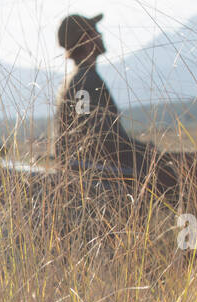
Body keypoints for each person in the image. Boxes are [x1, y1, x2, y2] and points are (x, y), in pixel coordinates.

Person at [54, 12, 179, 198]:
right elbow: (100, 140)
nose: (100, 35)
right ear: (86, 40)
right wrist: (148, 153)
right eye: (95, 31)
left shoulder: (77, 79)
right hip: (95, 171)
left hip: (88, 168)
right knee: (176, 171)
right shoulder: (84, 82)